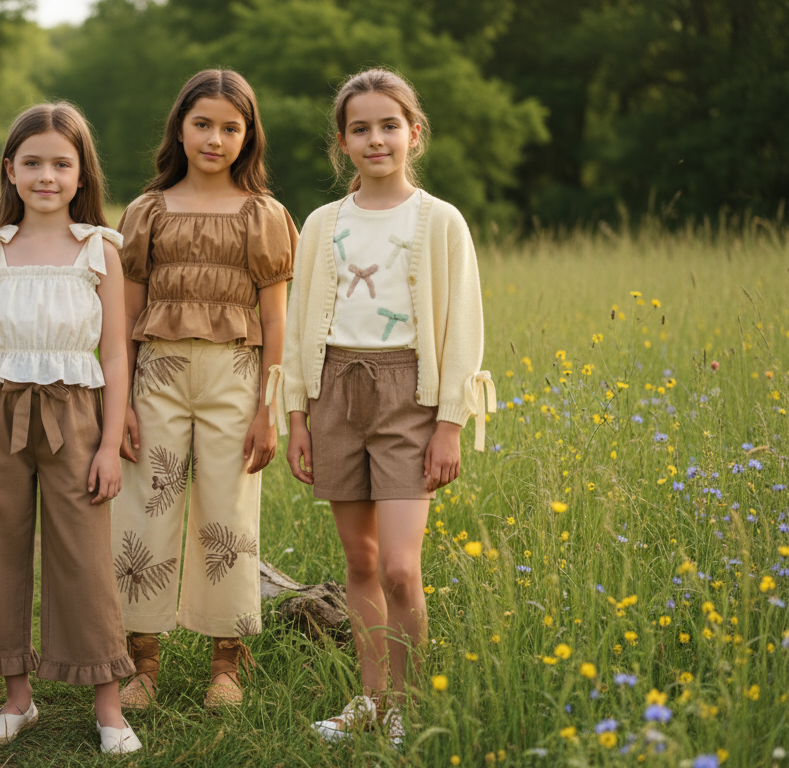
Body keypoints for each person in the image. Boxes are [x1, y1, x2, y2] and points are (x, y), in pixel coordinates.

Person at [278, 69, 495, 746]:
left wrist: (450, 425)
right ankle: (370, 699)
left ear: (414, 134)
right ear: (342, 143)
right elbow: (296, 323)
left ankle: (406, 704)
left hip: (412, 396)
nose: (376, 139)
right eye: (361, 128)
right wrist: (296, 418)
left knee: (402, 567)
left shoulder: (439, 221)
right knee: (362, 564)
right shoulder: (321, 224)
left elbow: (463, 326)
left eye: (389, 125)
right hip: (335, 392)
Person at [0, 102, 141, 755]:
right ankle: (16, 697)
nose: (46, 175)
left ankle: (108, 706)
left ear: (82, 175)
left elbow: (114, 354)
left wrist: (109, 444)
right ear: (10, 171)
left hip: (75, 412)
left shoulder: (102, 249)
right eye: (32, 163)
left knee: (82, 556)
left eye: (60, 163)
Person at [113, 69, 297, 710]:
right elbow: (125, 319)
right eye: (203, 124)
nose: (214, 138)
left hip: (236, 379)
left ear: (248, 137)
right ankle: (141, 662)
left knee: (229, 517)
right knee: (145, 510)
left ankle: (227, 664)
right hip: (156, 377)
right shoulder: (146, 211)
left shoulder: (264, 216)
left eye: (230, 127)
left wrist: (268, 413)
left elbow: (276, 322)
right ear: (180, 128)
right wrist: (121, 408)